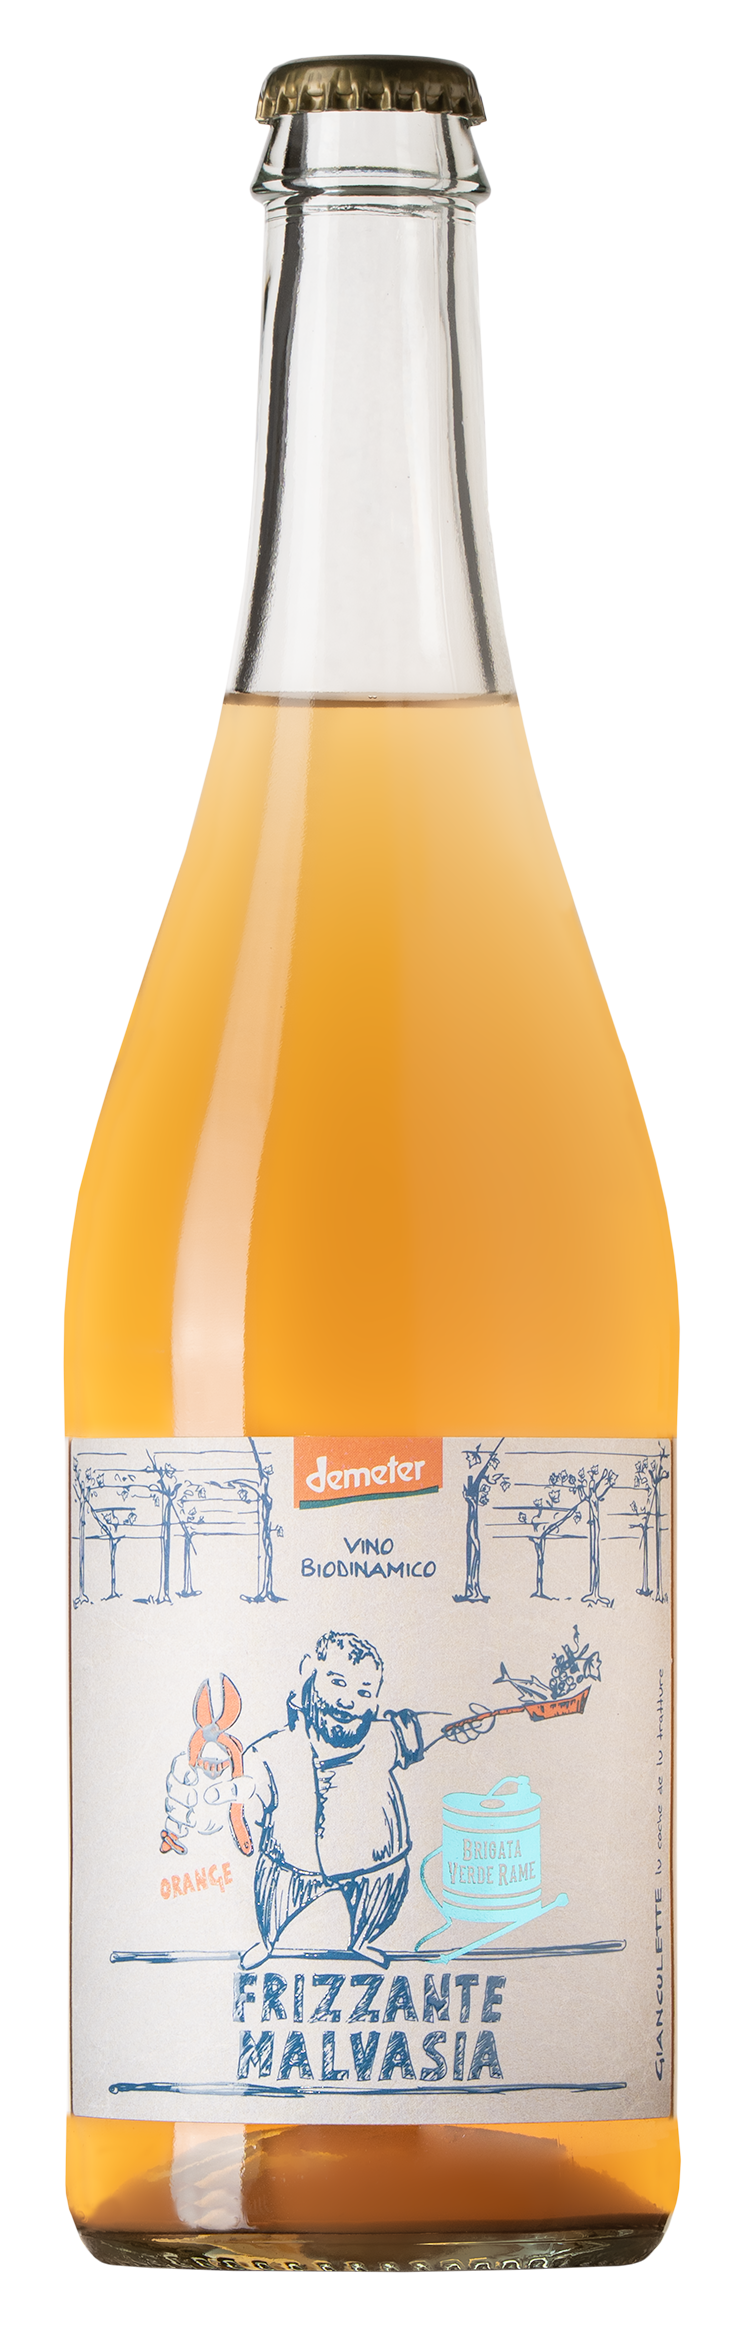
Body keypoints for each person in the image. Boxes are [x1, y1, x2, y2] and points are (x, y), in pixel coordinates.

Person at [162, 1628, 452, 1960]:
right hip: (291, 1865)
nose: (348, 1701)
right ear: (309, 1672)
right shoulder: (275, 1749)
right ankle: (267, 1943)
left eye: (364, 1691)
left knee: (380, 1898)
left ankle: (364, 1940)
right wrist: (215, 1804)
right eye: (338, 1682)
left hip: (377, 1865)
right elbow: (246, 1792)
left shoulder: (383, 1738)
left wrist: (478, 1718)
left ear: (376, 1701)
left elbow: (437, 1727)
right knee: (274, 1903)